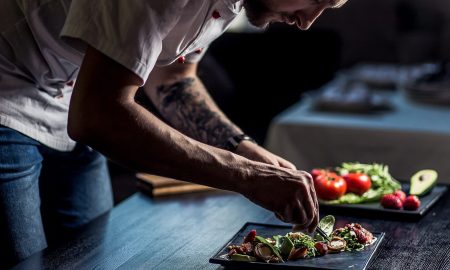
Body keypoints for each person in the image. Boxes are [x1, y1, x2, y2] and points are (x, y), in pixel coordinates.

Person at [0, 0, 347, 267]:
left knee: (92, 260)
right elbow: (97, 115)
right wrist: (247, 176)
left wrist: (247, 151)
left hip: (73, 100)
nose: (306, 22)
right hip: (9, 90)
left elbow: (173, 81)